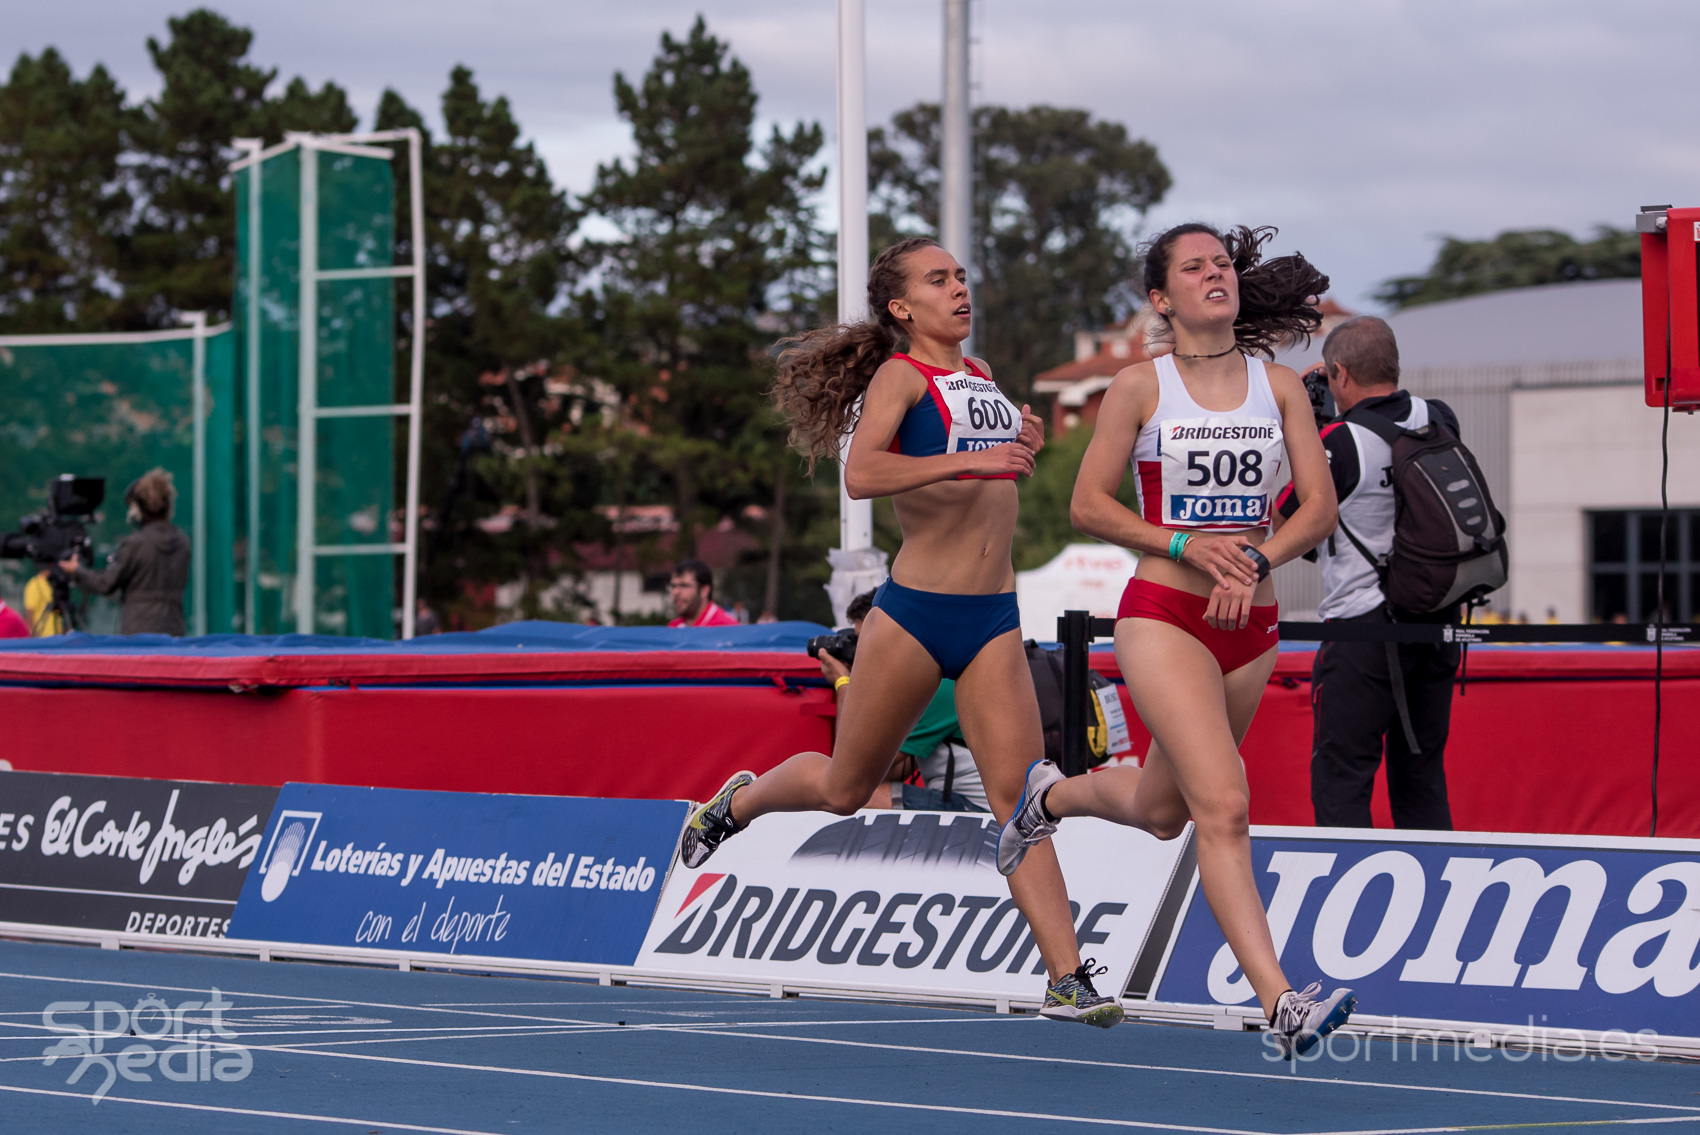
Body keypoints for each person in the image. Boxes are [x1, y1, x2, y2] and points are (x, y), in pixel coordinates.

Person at [679, 236, 1123, 1027]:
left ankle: (1066, 975)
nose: (959, 289)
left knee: (1021, 799)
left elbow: (992, 471)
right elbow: (864, 472)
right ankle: (739, 802)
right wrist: (971, 463)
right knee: (848, 789)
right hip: (916, 613)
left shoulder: (981, 377)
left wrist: (1020, 447)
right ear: (900, 306)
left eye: (960, 276)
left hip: (992, 616)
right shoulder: (900, 375)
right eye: (937, 279)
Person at [1001, 223, 1354, 1059]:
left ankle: (1046, 797)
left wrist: (1257, 557)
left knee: (1164, 812)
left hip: (1253, 624)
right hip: (1164, 616)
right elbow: (1088, 506)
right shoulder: (1139, 386)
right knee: (1223, 805)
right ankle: (1281, 1003)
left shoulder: (1280, 388)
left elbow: (1318, 507)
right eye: (1194, 267)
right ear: (1162, 298)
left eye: (1222, 263)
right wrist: (1188, 546)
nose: (1215, 274)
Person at [1281, 316, 1461, 831]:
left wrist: (1307, 430)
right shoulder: (1438, 417)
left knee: (1342, 779)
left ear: (1338, 372)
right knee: (1422, 774)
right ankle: (1434, 890)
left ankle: (1348, 894)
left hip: (1361, 628)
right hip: (1436, 619)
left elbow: (1291, 514)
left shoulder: (1339, 442)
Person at [817, 589, 988, 812]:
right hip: (984, 806)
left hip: (980, 813)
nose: (859, 652)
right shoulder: (943, 669)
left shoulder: (936, 687)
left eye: (864, 640)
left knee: (847, 797)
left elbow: (848, 774)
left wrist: (843, 682)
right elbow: (889, 772)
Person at [59, 469, 189, 636]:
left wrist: (77, 571)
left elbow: (106, 584)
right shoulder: (183, 541)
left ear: (137, 510)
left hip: (139, 632)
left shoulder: (136, 544)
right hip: (175, 629)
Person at [666, 559, 739, 627]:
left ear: (704, 590)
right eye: (673, 586)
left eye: (684, 585)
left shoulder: (725, 627)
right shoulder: (674, 627)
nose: (675, 592)